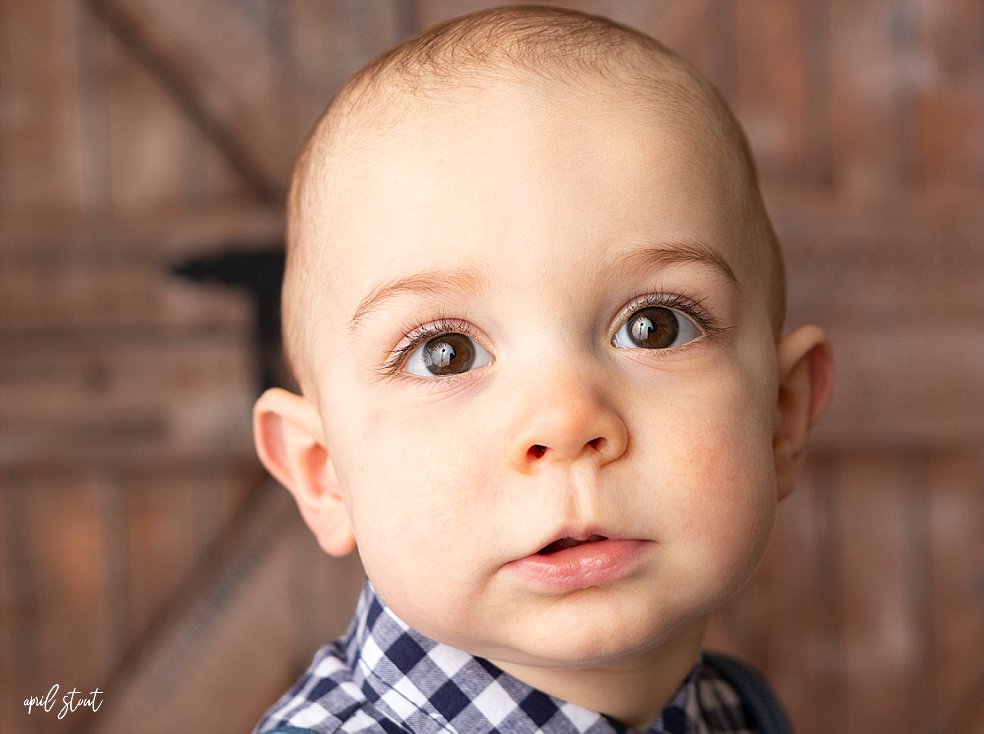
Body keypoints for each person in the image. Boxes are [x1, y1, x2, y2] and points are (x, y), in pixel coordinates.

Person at [252, 5, 833, 732]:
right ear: (323, 471)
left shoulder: (733, 713)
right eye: (446, 354)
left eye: (654, 327)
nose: (565, 422)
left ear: (780, 415)